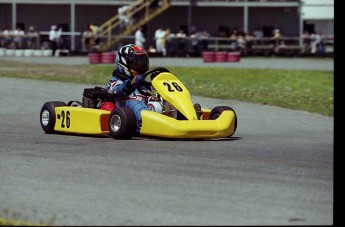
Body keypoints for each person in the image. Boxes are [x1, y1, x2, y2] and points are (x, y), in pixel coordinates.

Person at [105, 44, 161, 133]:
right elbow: (117, 91)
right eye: (137, 63)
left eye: (143, 63)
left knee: (162, 98)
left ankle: (180, 117)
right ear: (123, 63)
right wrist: (130, 85)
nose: (141, 66)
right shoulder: (115, 81)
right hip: (128, 114)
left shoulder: (144, 84)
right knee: (135, 103)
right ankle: (148, 124)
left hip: (148, 110)